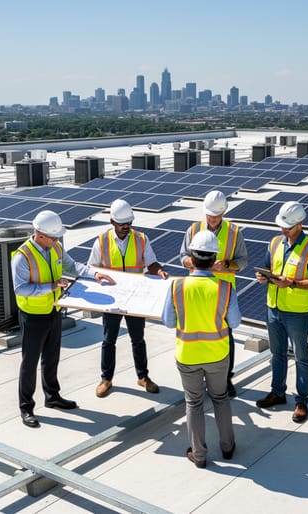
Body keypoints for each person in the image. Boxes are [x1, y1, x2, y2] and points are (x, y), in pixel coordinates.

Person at [11, 210, 115, 428]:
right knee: (29, 363)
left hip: (54, 310)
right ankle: (26, 407)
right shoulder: (23, 256)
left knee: (52, 356)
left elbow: (72, 266)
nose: (57, 240)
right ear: (40, 235)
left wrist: (94, 274)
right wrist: (50, 287)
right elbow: (21, 289)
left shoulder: (55, 247)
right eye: (53, 236)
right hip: (33, 316)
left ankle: (52, 396)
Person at [163, 231, 240, 468]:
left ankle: (199, 454)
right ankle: (227, 447)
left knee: (193, 403)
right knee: (220, 399)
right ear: (214, 257)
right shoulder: (225, 288)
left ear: (192, 258)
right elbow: (234, 323)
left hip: (187, 355)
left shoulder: (177, 286)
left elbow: (167, 321)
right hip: (217, 354)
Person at [88, 199, 169, 398]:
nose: (126, 227)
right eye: (122, 223)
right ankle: (106, 379)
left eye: (129, 223)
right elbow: (92, 268)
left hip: (135, 298)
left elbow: (151, 263)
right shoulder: (102, 241)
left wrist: (159, 271)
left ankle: (143, 377)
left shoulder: (141, 239)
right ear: (112, 222)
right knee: (109, 340)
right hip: (112, 300)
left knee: (138, 339)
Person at [254, 201, 308, 423]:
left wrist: (292, 283)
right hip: (273, 308)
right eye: (282, 226)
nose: (284, 230)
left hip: (296, 312)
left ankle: (302, 400)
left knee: (301, 357)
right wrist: (263, 276)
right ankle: (278, 392)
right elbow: (268, 267)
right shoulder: (275, 242)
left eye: (288, 227)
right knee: (278, 354)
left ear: (300, 224)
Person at [178, 190, 248, 397]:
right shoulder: (193, 229)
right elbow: (182, 256)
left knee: (227, 335)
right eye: (210, 215)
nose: (213, 219)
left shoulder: (234, 233)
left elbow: (243, 261)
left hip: (222, 293)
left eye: (217, 215)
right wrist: (195, 261)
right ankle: (199, 377)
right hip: (198, 291)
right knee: (199, 336)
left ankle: (226, 379)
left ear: (224, 212)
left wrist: (226, 264)